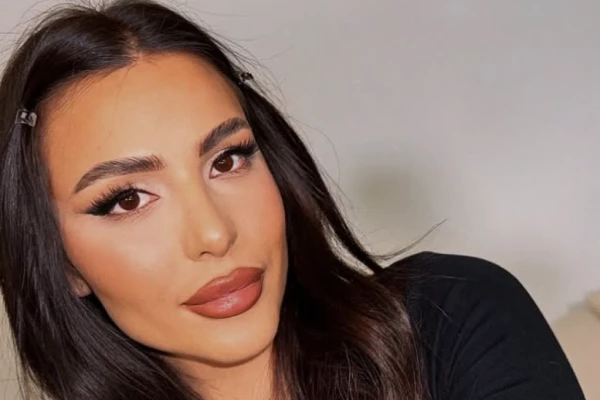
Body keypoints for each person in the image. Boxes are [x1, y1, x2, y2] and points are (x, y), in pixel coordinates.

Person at [0, 1, 585, 399]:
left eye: (227, 160)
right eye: (127, 199)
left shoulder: (448, 319)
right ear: (61, 261)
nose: (214, 233)